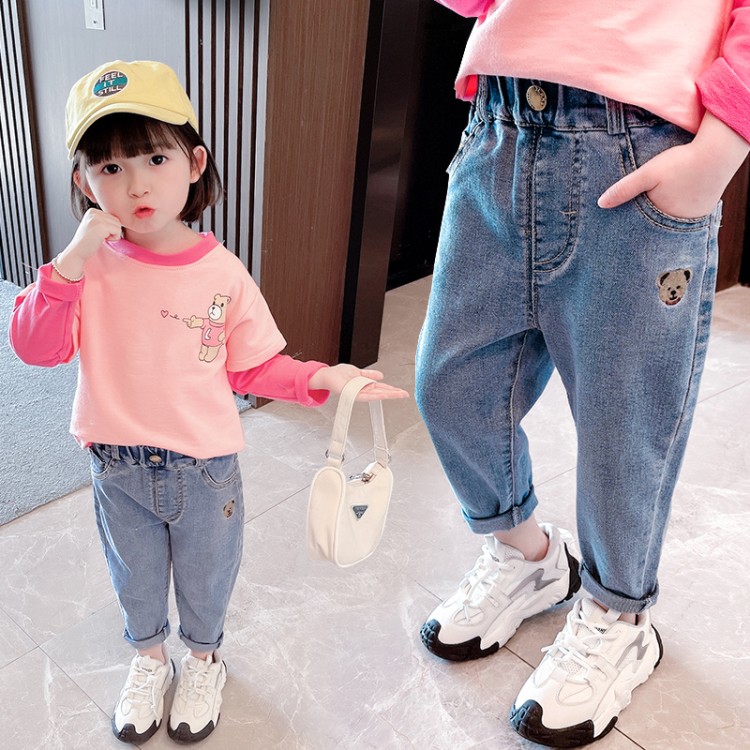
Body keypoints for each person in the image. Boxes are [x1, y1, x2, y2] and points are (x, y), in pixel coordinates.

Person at [8, 60, 408, 746]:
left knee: (206, 577)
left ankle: (202, 661)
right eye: (109, 167)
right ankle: (149, 660)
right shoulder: (86, 268)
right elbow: (36, 348)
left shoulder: (223, 273)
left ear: (194, 164)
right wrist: (70, 260)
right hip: (116, 466)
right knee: (134, 578)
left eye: (155, 158)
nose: (136, 184)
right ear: (83, 183)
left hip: (206, 471)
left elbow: (254, 367)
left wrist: (325, 379)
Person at [415, 2, 749, 746]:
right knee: (450, 385)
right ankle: (526, 555)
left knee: (622, 423)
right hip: (498, 130)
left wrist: (717, 155)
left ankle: (618, 616)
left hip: (637, 145)